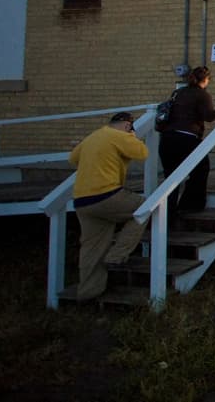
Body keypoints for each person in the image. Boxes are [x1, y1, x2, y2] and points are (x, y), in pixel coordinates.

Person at [68, 111, 149, 301]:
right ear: (127, 125)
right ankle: (117, 255)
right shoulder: (120, 135)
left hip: (81, 200)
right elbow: (142, 153)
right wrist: (132, 137)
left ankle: (87, 293)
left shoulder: (93, 136)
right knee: (142, 209)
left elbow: (73, 159)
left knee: (92, 247)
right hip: (106, 194)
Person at [158, 66, 215, 218]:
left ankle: (167, 215)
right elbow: (209, 116)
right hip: (187, 138)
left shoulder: (178, 92)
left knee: (170, 177)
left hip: (167, 138)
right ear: (206, 80)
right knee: (201, 169)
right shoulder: (202, 95)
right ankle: (190, 205)